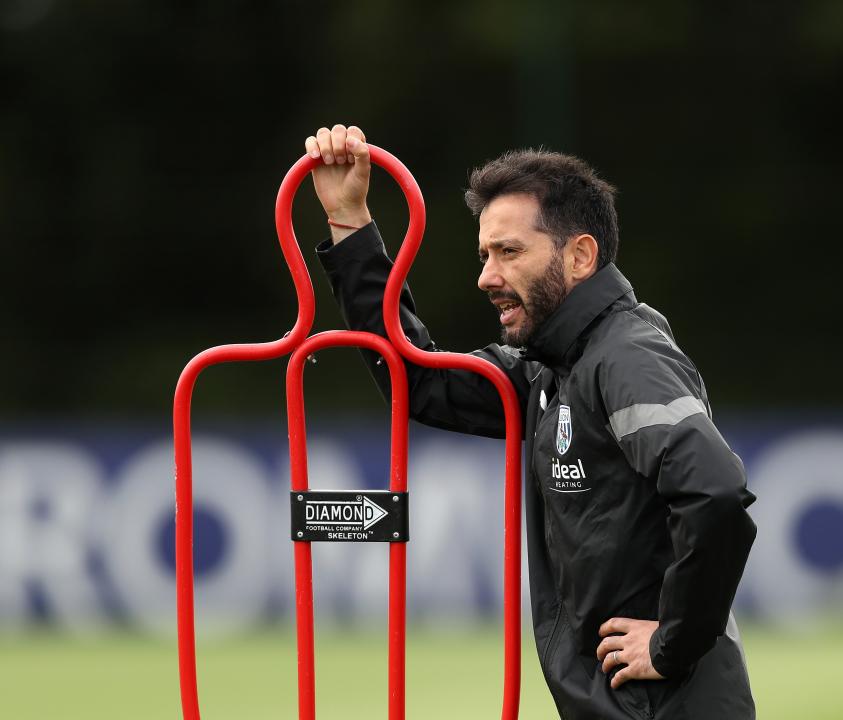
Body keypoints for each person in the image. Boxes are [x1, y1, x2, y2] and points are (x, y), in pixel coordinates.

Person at [306, 124, 758, 719]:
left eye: (509, 252)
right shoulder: (548, 368)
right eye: (485, 254)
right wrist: (350, 222)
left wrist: (674, 641)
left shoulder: (626, 356)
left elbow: (716, 492)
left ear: (579, 255)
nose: (486, 277)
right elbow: (418, 381)